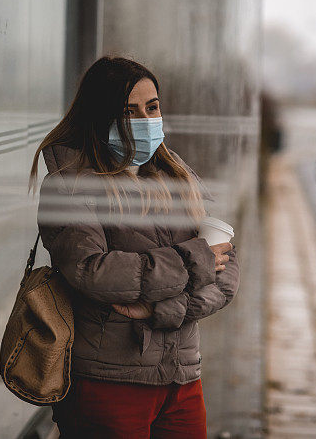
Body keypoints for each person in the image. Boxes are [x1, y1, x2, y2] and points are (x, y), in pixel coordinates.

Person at [29, 56, 240, 438]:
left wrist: (160, 308)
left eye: (152, 107)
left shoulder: (176, 175)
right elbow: (94, 271)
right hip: (111, 381)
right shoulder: (71, 185)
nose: (145, 120)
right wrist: (196, 261)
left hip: (181, 379)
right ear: (101, 117)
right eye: (129, 111)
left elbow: (227, 272)